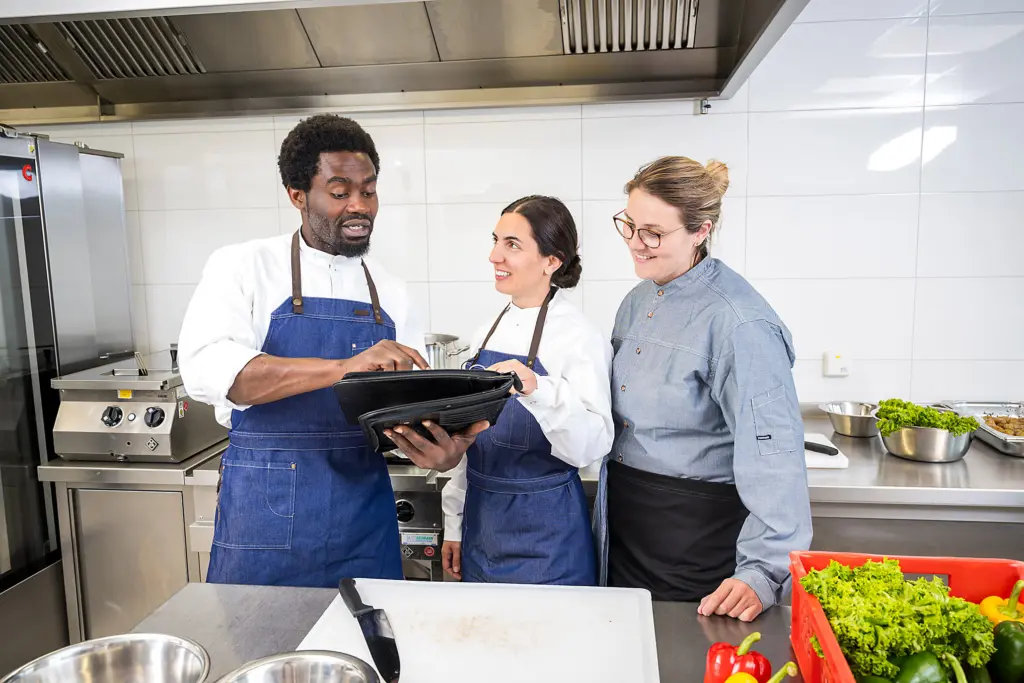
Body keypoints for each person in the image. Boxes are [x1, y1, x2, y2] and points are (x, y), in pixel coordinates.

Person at [178, 114, 487, 587]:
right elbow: (211, 372)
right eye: (340, 193)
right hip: (267, 512)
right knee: (260, 648)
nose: (360, 206)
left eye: (369, 190)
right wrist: (345, 367)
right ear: (297, 195)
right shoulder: (244, 266)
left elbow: (403, 415)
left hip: (362, 514)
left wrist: (440, 451)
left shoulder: (392, 290)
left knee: (364, 653)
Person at [593, 156, 812, 621]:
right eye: (629, 225)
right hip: (626, 525)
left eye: (653, 231)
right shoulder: (638, 299)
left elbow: (776, 456)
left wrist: (763, 572)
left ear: (700, 231)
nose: (636, 243)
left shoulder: (740, 324)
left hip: (694, 537)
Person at [439, 195, 613, 585]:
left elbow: (593, 446)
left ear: (552, 261)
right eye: (496, 240)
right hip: (481, 529)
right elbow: (471, 441)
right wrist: (454, 522)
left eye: (512, 245)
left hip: (547, 537)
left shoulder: (580, 336)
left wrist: (539, 390)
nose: (494, 256)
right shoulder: (485, 331)